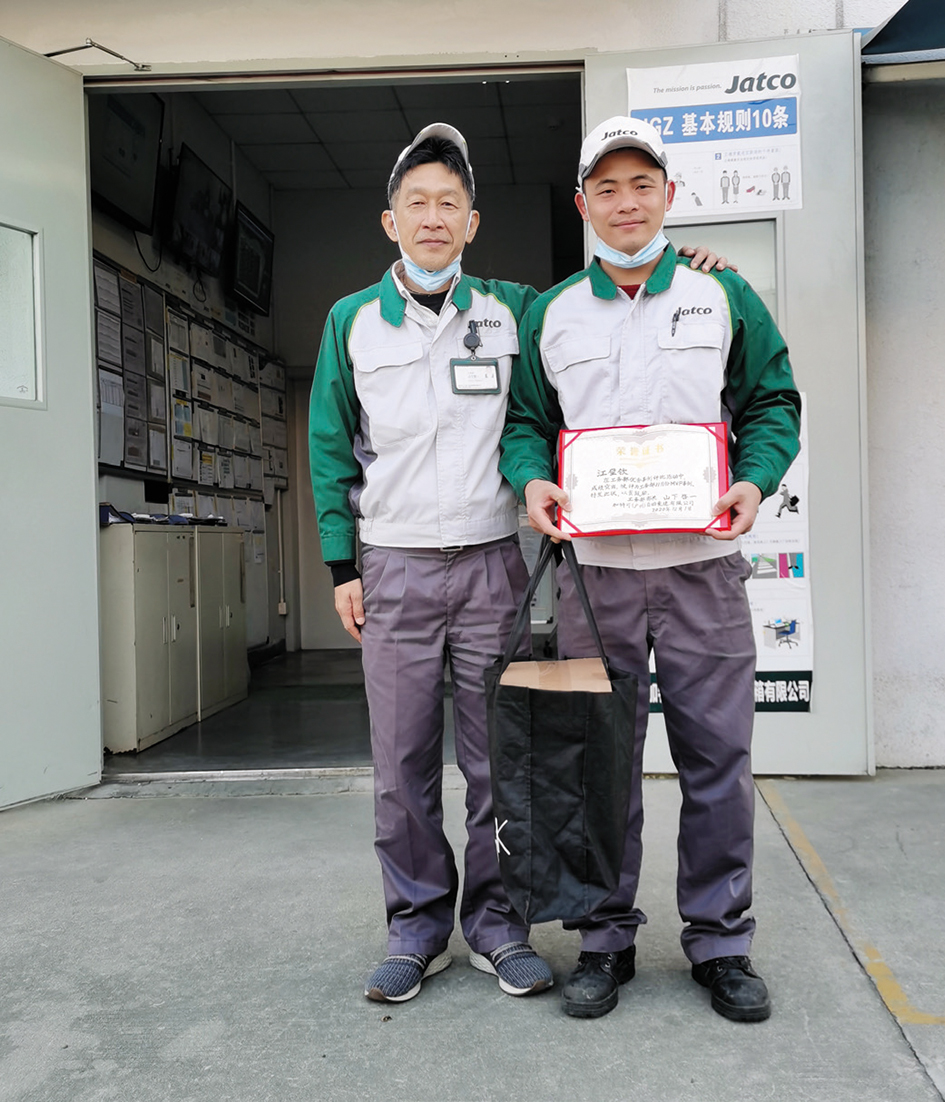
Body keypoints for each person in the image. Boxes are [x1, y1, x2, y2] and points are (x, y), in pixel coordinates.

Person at [307, 122, 726, 1005]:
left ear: (472, 222)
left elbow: (603, 308)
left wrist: (688, 268)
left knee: (502, 762)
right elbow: (329, 447)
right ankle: (416, 928)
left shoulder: (515, 310)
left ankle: (499, 928)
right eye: (416, 203)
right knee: (400, 764)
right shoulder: (352, 322)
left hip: (494, 564)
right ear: (390, 221)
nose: (432, 219)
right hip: (393, 569)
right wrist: (342, 565)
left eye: (449, 204)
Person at [499, 116, 801, 1023]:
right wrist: (534, 479)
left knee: (718, 760)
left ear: (669, 195)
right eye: (607, 188)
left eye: (642, 185)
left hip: (703, 569)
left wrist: (754, 480)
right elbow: (525, 423)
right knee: (597, 765)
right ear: (583, 202)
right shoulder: (552, 312)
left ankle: (721, 941)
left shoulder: (723, 296)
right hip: (596, 575)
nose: (625, 203)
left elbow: (772, 401)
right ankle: (604, 938)